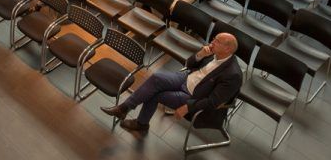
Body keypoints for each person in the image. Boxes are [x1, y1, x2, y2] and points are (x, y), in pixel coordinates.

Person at [101, 33, 242, 136]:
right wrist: (199, 55)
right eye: (213, 39)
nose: (211, 43)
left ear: (228, 49)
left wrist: (188, 107)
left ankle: (141, 123)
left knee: (155, 94)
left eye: (216, 41)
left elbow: (213, 101)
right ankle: (124, 108)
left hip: (193, 96)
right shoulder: (212, 52)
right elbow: (189, 64)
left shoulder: (233, 75)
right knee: (156, 78)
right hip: (186, 77)